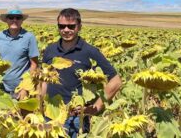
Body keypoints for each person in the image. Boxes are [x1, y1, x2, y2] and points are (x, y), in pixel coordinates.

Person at [42, 8, 122, 137]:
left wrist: (95, 108)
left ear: (79, 27)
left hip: (74, 119)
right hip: (49, 113)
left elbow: (116, 81)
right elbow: (44, 80)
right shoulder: (50, 50)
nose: (66, 30)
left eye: (71, 26)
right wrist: (39, 104)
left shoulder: (90, 51)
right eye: (62, 26)